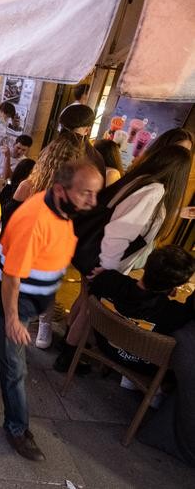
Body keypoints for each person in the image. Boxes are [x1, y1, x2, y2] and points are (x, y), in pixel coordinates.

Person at [0, 161, 103, 461]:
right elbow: (12, 276)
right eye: (86, 193)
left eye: (95, 193)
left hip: (30, 296)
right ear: (61, 190)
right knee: (15, 367)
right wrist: (13, 317)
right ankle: (16, 428)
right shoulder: (35, 219)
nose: (93, 201)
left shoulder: (62, 207)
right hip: (16, 296)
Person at [55, 145, 192, 371]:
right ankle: (68, 358)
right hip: (103, 259)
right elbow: (119, 231)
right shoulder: (154, 190)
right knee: (91, 308)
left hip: (89, 251)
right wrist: (106, 270)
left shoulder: (141, 179)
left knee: (85, 299)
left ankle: (66, 344)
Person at [87, 245, 194, 375]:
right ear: (177, 285)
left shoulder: (108, 280)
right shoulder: (172, 313)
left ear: (145, 265)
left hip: (104, 345)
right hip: (141, 366)